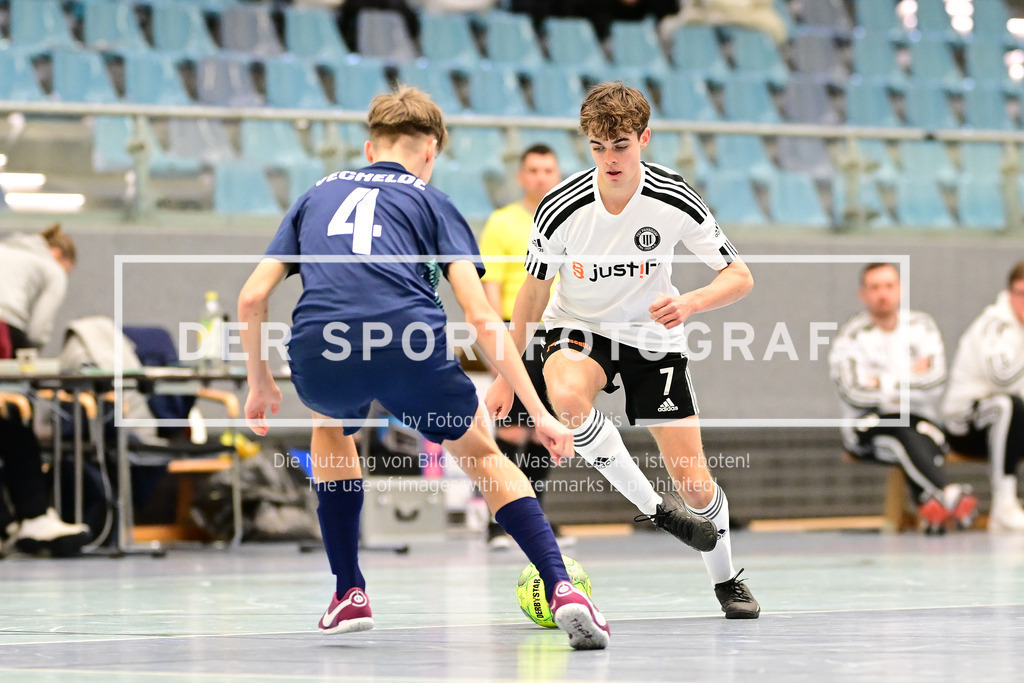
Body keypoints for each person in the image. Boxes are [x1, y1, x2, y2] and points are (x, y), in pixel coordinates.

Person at [237, 87, 609, 650]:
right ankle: (562, 588)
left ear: (369, 148)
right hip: (408, 344)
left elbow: (250, 299)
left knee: (331, 427)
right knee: (482, 453)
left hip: (320, 346)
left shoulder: (316, 194)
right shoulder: (433, 202)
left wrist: (260, 383)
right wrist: (539, 412)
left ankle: (348, 593)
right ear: (431, 151)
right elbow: (481, 315)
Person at [486, 82, 760, 619]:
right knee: (566, 397)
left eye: (621, 146)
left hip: (652, 336)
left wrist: (693, 302)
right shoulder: (560, 209)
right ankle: (655, 510)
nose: (609, 159)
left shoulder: (673, 198)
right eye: (597, 147)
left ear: (644, 139)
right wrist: (506, 371)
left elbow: (741, 275)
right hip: (579, 327)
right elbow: (533, 295)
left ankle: (726, 579)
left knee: (695, 481)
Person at [829, 263, 978, 534]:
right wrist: (908, 378)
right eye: (874, 287)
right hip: (868, 427)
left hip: (922, 423)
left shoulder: (922, 327)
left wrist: (881, 382)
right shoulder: (850, 337)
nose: (882, 294)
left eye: (889, 286)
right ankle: (947, 492)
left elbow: (935, 381)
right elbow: (854, 394)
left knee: (909, 432)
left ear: (900, 289)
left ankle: (931, 505)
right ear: (863, 294)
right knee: (899, 429)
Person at [478, 144, 569, 549]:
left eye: (548, 170)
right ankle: (500, 523)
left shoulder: (569, 218)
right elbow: (490, 287)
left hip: (560, 336)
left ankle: (536, 520)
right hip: (518, 333)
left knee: (545, 433)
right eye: (533, 170)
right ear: (521, 176)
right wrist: (501, 348)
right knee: (512, 431)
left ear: (558, 174)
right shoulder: (501, 223)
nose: (540, 177)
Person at [0, 224, 91, 556]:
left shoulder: (8, 249)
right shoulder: (51, 267)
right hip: (2, 325)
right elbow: (37, 330)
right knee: (12, 421)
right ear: (59, 254)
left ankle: (9, 523)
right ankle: (33, 514)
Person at [942, 261, 1024, 532]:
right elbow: (1003, 379)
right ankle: (1004, 505)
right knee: (1006, 405)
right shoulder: (994, 325)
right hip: (965, 424)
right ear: (1009, 293)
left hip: (1011, 428)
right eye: (1021, 293)